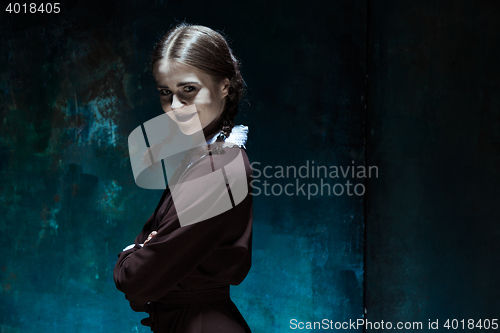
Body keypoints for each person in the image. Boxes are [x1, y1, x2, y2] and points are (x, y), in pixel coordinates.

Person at [113, 23, 253, 332]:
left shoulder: (218, 168)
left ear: (224, 87)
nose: (175, 107)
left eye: (188, 89)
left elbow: (138, 280)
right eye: (166, 93)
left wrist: (131, 259)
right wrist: (146, 253)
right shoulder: (203, 156)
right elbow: (152, 252)